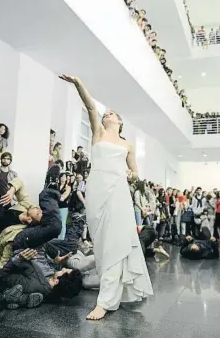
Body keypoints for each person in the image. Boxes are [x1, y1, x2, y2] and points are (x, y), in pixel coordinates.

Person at [59, 74, 153, 320]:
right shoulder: (98, 133)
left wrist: (132, 177)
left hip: (119, 192)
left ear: (120, 121)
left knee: (116, 243)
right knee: (101, 245)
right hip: (97, 190)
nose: (106, 114)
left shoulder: (128, 145)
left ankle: (105, 302)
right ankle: (110, 288)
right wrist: (79, 83)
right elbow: (90, 105)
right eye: (105, 113)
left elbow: (134, 172)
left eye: (111, 113)